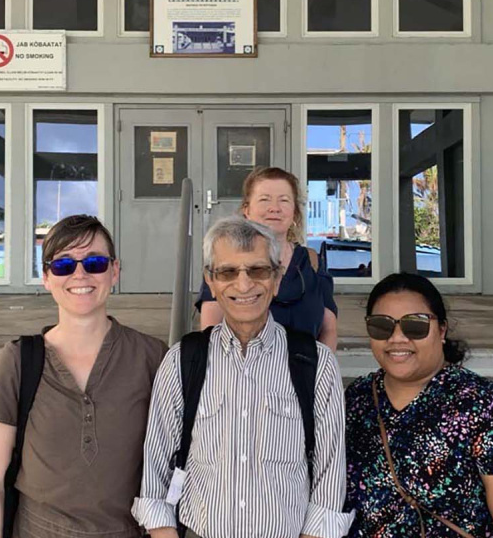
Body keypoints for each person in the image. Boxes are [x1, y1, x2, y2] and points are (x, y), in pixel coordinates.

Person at [133, 216, 353, 538]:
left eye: (258, 270)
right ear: (211, 281)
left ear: (277, 278)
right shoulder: (183, 360)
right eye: (227, 272)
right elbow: (156, 468)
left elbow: (329, 475)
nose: (244, 284)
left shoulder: (316, 364)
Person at [0, 215, 167, 538]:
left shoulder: (152, 357)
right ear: (46, 278)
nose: (80, 274)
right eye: (63, 265)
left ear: (114, 271)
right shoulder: (18, 362)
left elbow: (171, 474)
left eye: (95, 263)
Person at [344, 273, 493, 538]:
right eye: (382, 326)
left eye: (415, 325)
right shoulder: (357, 399)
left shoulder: (487, 405)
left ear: (442, 330)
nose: (397, 338)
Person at [196, 167, 339, 350]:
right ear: (246, 210)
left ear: (295, 212)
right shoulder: (226, 264)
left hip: (306, 367)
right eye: (264, 199)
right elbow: (210, 332)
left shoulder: (312, 263)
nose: (274, 208)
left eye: (284, 200)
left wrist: (321, 367)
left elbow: (329, 330)